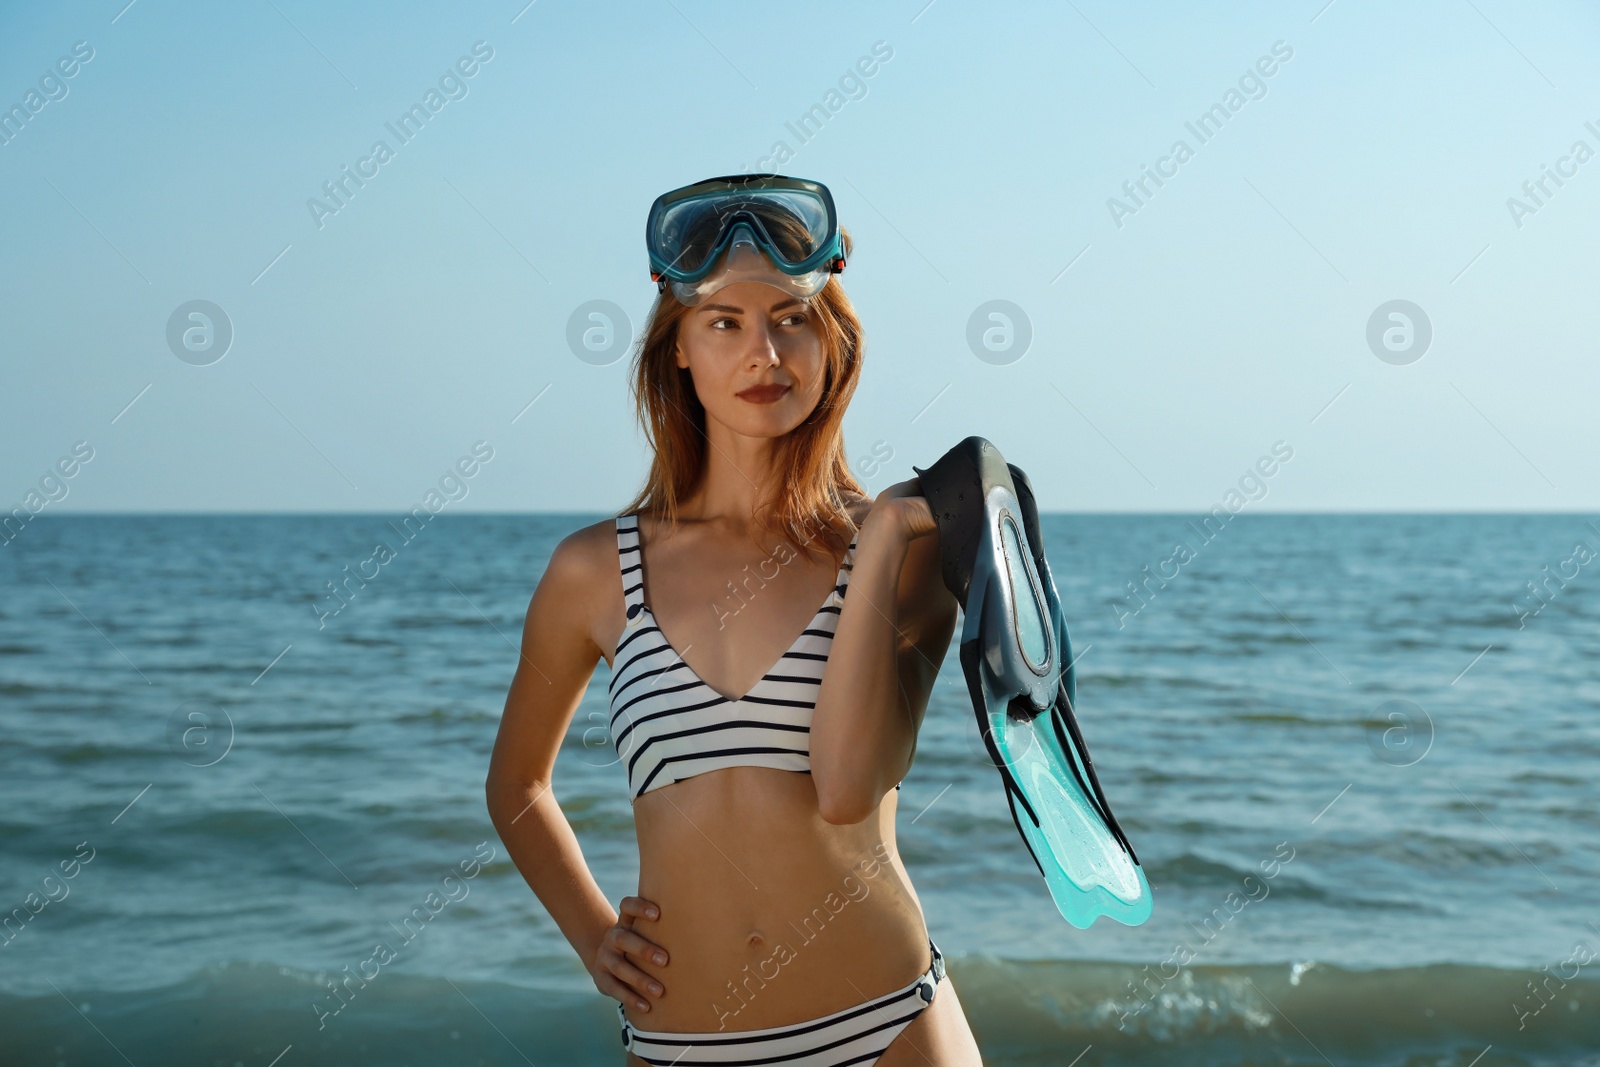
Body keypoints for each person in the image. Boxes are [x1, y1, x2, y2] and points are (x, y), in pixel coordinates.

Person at [485, 174, 984, 1065]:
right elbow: (518, 785)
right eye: (725, 322)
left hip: (889, 1026)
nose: (766, 352)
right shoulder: (594, 572)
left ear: (830, 340)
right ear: (678, 348)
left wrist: (882, 539)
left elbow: (845, 788)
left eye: (792, 317)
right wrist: (595, 936)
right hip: (682, 1043)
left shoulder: (902, 553)